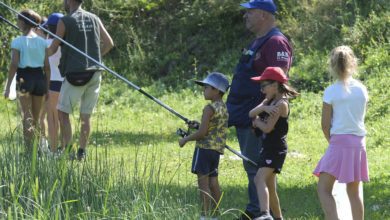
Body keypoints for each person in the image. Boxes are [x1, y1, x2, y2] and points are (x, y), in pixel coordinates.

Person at [226, 1, 292, 219]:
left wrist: (264, 117)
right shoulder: (258, 41)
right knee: (252, 167)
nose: (245, 15)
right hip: (246, 113)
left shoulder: (275, 42)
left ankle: (259, 213)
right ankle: (262, 212)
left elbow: (278, 83)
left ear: (263, 14)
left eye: (250, 12)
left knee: (257, 168)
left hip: (259, 120)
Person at [48, 0, 114, 160]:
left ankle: (69, 152)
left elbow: (53, 48)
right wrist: (95, 58)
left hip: (75, 75)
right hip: (95, 72)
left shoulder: (65, 21)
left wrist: (39, 55)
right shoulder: (94, 18)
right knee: (85, 116)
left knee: (63, 113)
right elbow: (109, 43)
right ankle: (82, 152)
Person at [313, 46, 369, 220]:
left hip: (338, 142)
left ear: (332, 65)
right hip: (358, 143)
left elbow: (325, 124)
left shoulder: (331, 91)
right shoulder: (362, 89)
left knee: (323, 189)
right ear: (353, 63)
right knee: (354, 192)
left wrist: (332, 141)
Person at [249, 67, 298, 220]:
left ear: (275, 85)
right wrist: (263, 107)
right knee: (270, 186)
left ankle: (265, 214)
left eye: (264, 86)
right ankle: (278, 218)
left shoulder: (281, 104)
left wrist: (257, 123)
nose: (262, 90)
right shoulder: (269, 101)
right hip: (268, 147)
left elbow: (268, 128)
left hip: (275, 149)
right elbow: (250, 113)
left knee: (259, 179)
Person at [179, 72, 229, 220]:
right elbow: (210, 128)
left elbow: (202, 134)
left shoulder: (209, 108)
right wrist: (198, 125)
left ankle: (204, 216)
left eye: (206, 87)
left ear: (217, 90)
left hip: (203, 150)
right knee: (214, 183)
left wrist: (185, 139)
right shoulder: (223, 108)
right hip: (215, 151)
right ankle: (216, 215)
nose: (203, 90)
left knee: (203, 185)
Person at [4, 9, 50, 151]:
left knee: (27, 118)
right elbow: (47, 67)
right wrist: (47, 87)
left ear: (23, 22)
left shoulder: (17, 41)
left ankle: (29, 151)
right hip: (40, 79)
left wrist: (8, 87)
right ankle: (40, 149)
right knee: (37, 119)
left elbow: (14, 64)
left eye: (18, 20)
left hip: (25, 78)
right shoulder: (43, 42)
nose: (17, 22)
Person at [42, 12, 64, 153]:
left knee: (52, 119)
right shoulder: (67, 44)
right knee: (64, 119)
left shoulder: (44, 44)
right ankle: (65, 148)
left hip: (52, 84)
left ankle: (54, 151)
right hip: (67, 83)